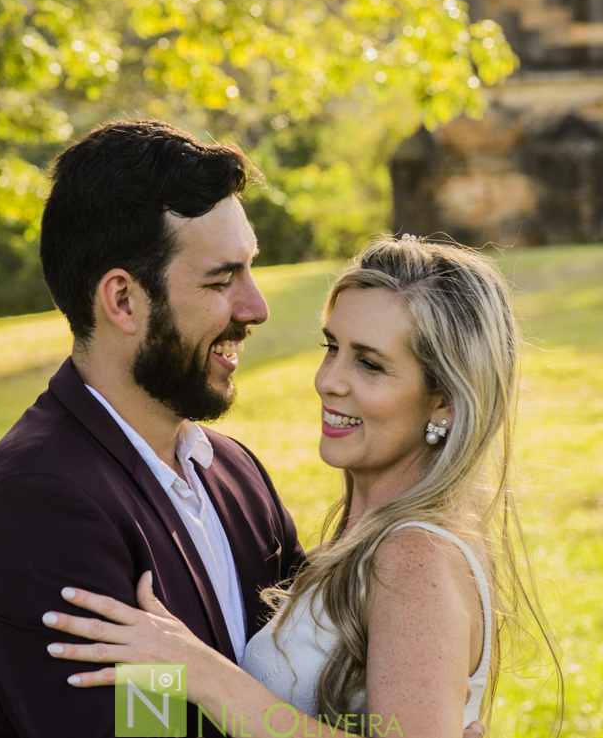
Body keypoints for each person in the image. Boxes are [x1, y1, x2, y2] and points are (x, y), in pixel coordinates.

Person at [41, 236, 553, 736]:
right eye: (332, 347)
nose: (328, 379)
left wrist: (207, 676)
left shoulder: (414, 557)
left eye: (369, 364)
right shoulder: (372, 541)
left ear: (444, 402)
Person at [0, 120, 306, 737]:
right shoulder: (39, 507)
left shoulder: (236, 474)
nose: (256, 308)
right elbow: (150, 732)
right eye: (222, 279)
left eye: (250, 271)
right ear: (123, 301)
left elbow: (329, 682)